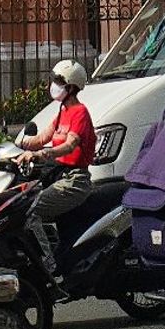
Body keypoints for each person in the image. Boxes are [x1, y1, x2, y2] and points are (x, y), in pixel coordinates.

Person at [18, 58, 97, 277]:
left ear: (71, 87)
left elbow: (70, 144)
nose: (52, 85)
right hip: (58, 176)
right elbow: (42, 137)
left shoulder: (80, 112)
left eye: (58, 81)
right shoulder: (63, 110)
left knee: (30, 210)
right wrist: (18, 145)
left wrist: (44, 153)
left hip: (75, 180)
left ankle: (48, 263)